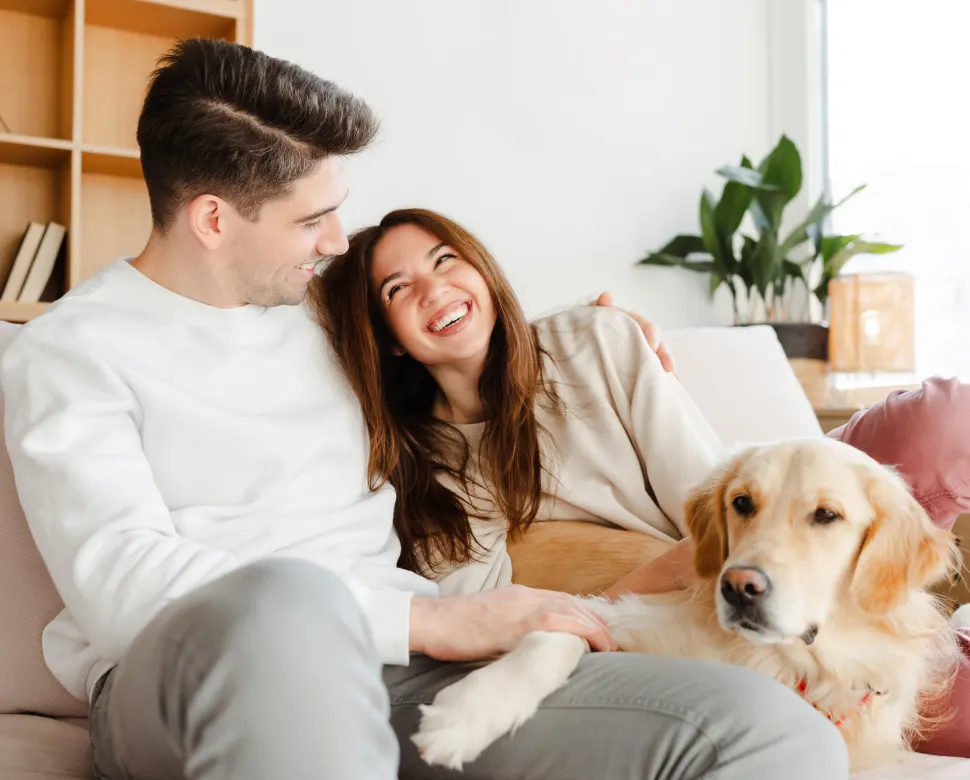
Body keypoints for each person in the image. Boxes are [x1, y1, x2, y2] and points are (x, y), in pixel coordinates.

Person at [0, 38, 851, 780]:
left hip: (401, 661)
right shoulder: (72, 351)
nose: (339, 242)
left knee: (775, 740)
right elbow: (121, 582)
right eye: (315, 220)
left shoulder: (325, 316)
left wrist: (602, 332)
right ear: (213, 220)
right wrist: (436, 616)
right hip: (191, 675)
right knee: (289, 603)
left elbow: (456, 324)